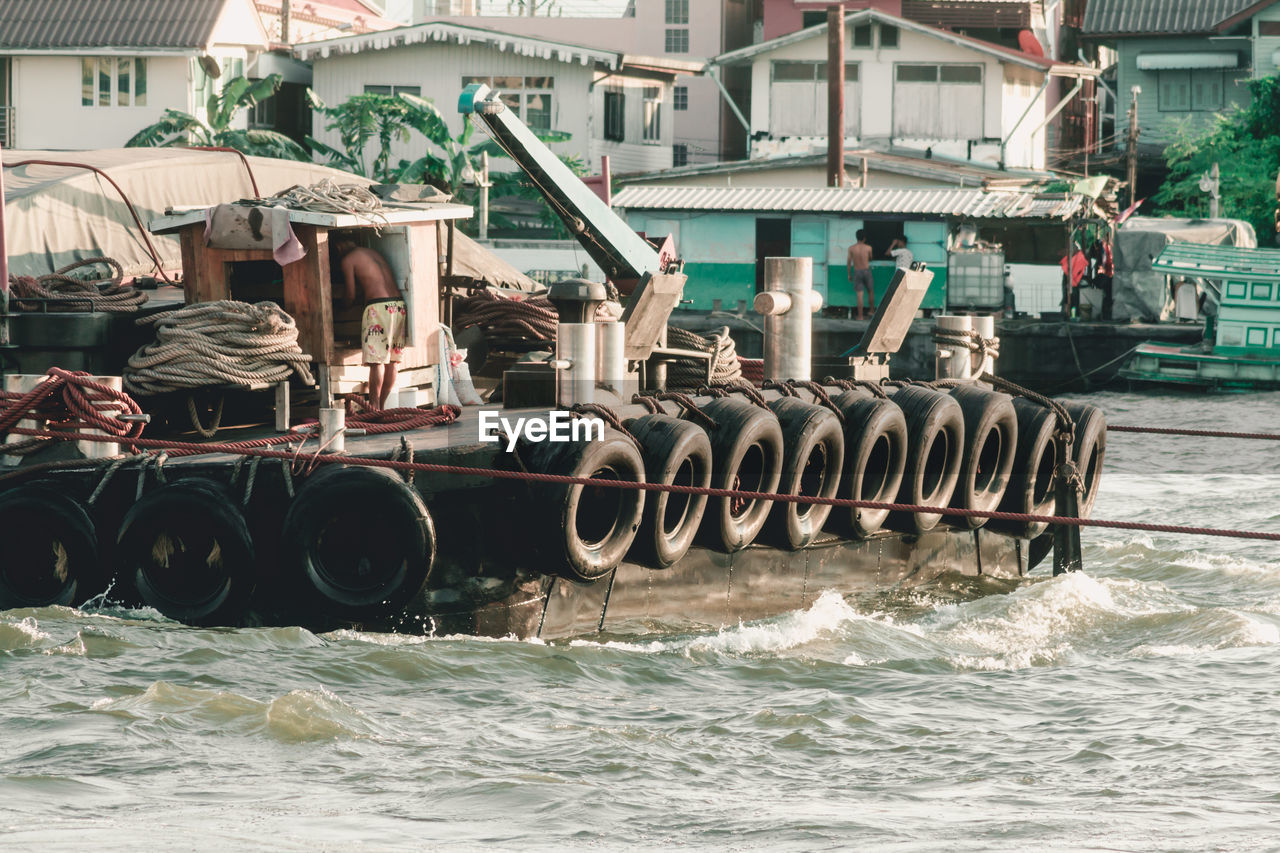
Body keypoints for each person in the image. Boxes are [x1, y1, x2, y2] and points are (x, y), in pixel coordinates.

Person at [334, 238, 405, 410]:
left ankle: (374, 406)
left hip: (378, 308)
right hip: (398, 306)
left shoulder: (348, 260)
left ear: (338, 245)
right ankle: (381, 406)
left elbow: (349, 295)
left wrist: (339, 307)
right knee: (392, 361)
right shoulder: (373, 253)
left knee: (377, 361)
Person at [846, 229, 875, 320]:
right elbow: (871, 258)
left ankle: (860, 316)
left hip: (857, 271)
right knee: (870, 291)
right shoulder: (868, 248)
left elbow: (849, 262)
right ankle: (871, 311)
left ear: (856, 237)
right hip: (866, 271)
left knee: (859, 295)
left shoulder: (851, 248)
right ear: (864, 238)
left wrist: (849, 274)